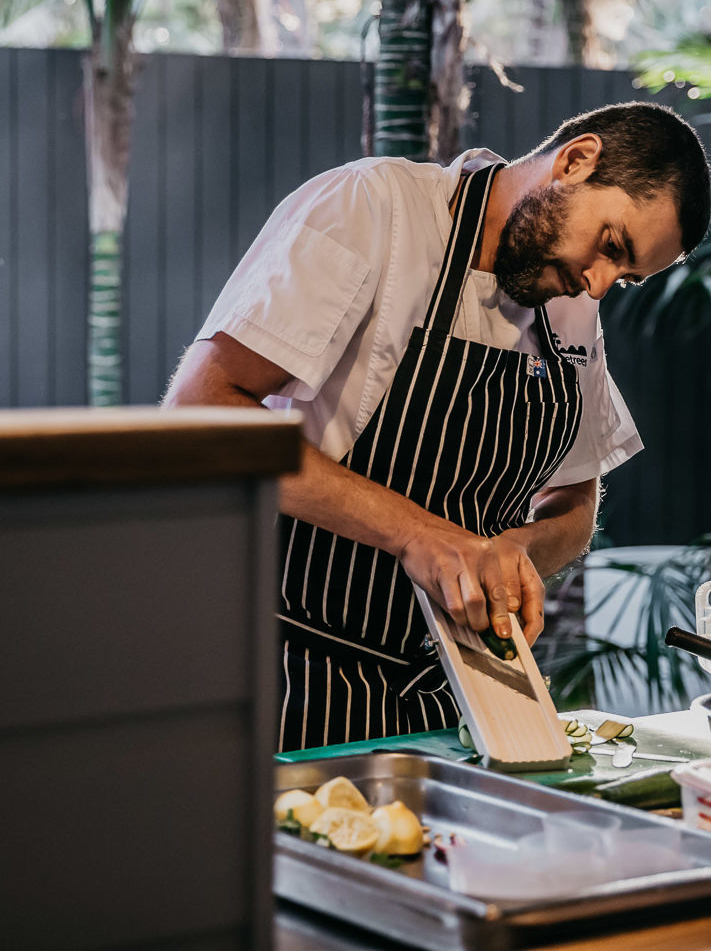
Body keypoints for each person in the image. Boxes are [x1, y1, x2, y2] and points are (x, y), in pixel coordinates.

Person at [163, 101, 710, 752]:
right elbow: (202, 406)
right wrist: (420, 535)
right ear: (575, 160)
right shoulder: (373, 210)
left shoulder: (567, 302)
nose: (596, 284)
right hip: (288, 674)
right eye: (611, 245)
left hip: (447, 704)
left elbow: (573, 503)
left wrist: (512, 554)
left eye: (623, 277)